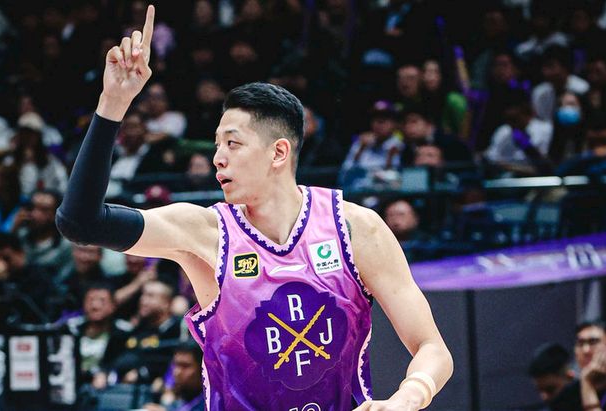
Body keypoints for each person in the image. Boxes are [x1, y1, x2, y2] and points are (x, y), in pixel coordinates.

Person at [56, 6, 452, 409]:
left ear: (278, 152)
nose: (217, 158)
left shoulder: (355, 229)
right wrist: (112, 103)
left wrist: (407, 397)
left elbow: (432, 348)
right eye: (216, 145)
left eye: (232, 143)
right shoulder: (204, 232)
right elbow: (80, 222)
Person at [144, 342, 205, 411]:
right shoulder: (179, 400)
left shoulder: (211, 403)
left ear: (203, 369)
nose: (177, 372)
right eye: (175, 365)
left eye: (185, 366)